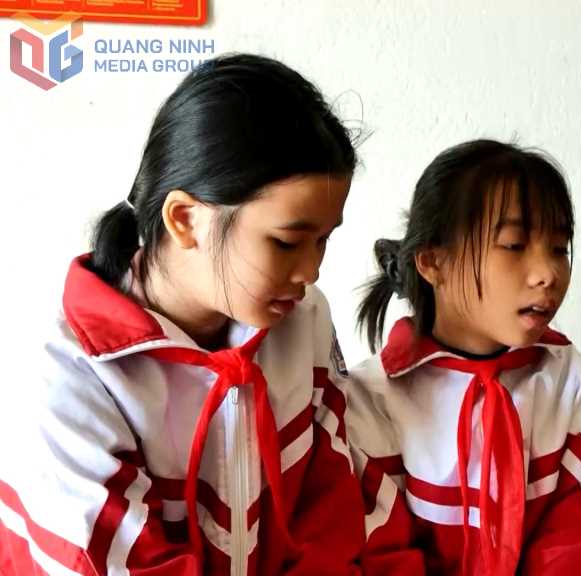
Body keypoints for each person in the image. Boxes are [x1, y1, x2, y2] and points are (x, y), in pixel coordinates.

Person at [0, 54, 420, 575]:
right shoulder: (70, 371)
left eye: (323, 240)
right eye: (286, 242)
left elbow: (330, 508)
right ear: (185, 219)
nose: (310, 271)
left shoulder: (304, 318)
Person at [345, 139, 581, 575]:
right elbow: (382, 554)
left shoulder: (577, 385)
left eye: (558, 248)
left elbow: (577, 542)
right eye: (514, 245)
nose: (547, 273)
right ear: (433, 262)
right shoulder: (369, 400)